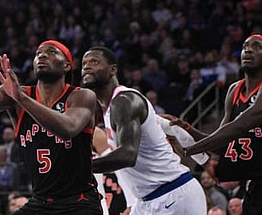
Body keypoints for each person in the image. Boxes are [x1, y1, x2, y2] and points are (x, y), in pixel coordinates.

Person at [81, 46, 206, 214]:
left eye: (94, 62)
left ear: (113, 69)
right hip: (148, 199)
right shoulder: (107, 107)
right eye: (84, 63)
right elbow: (170, 126)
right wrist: (133, 202)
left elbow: (127, 155)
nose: (87, 66)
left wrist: (79, 167)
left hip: (172, 193)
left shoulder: (125, 100)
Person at [0, 41, 103, 214]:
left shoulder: (82, 96)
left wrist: (21, 98)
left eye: (51, 52)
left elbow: (68, 129)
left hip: (78, 202)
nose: (42, 56)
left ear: (67, 66)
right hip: (40, 202)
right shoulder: (17, 93)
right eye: (38, 53)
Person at [170, 34, 262, 215]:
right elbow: (222, 140)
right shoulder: (235, 90)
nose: (248, 50)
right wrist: (187, 129)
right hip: (254, 181)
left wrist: (189, 151)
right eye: (245, 47)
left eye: (257, 46)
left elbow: (239, 127)